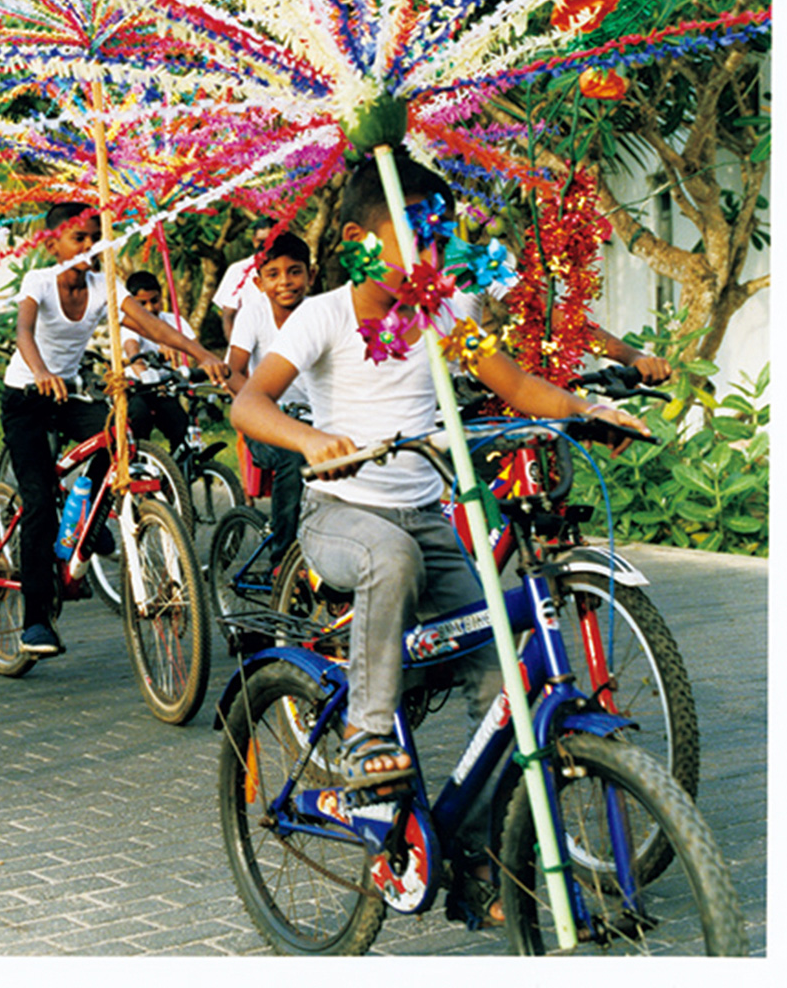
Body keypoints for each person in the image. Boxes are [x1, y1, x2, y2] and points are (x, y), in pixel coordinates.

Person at [231, 150, 643, 921]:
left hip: (429, 519)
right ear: (357, 240)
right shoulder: (321, 315)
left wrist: (589, 411)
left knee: (507, 684)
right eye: (414, 236)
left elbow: (517, 385)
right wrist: (309, 441)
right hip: (344, 517)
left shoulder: (443, 312)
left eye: (439, 237)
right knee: (390, 557)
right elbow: (249, 404)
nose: (432, 254)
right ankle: (365, 733)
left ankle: (480, 865)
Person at [2, 203, 232, 658]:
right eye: (79, 239)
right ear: (54, 244)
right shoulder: (39, 282)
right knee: (38, 500)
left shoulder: (104, 286)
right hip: (27, 396)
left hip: (67, 395)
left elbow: (153, 327)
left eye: (95, 238)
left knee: (119, 433)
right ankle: (35, 621)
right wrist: (41, 371)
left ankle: (85, 524)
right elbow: (24, 332)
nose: (90, 247)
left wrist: (201, 353)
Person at [225, 230, 316, 560]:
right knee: (292, 462)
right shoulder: (253, 314)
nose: (285, 282)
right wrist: (259, 404)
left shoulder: (321, 311)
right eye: (273, 274)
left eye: (295, 271)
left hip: (315, 418)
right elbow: (233, 371)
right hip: (267, 422)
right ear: (259, 282)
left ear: (311, 274)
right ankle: (283, 560)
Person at [120, 269, 191, 454]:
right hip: (138, 388)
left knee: (180, 424)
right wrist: (143, 372)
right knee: (139, 418)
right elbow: (131, 348)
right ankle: (139, 464)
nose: (150, 308)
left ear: (162, 297)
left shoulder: (174, 321)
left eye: (154, 300)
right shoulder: (130, 323)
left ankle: (177, 473)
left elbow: (194, 348)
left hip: (164, 389)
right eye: (142, 303)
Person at [212, 216, 275, 344]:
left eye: (271, 241)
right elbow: (228, 315)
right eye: (260, 241)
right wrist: (236, 350)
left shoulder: (290, 268)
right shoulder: (238, 270)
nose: (265, 246)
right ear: (254, 241)